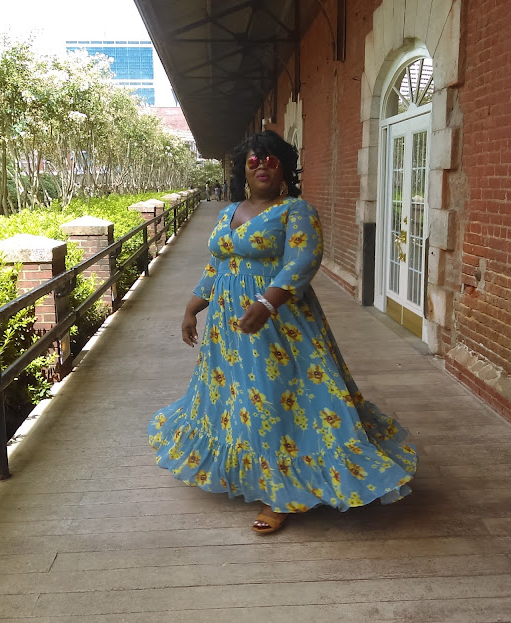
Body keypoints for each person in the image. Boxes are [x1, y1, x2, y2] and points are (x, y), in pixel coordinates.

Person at [148, 130, 417, 534]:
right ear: (243, 170)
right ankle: (252, 472)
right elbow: (217, 265)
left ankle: (281, 492)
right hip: (228, 328)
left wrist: (267, 302)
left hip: (279, 323)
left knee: (275, 399)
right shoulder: (228, 212)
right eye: (254, 161)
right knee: (239, 397)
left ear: (284, 169)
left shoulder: (296, 211)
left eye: (271, 160)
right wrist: (192, 308)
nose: (262, 167)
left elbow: (303, 261)